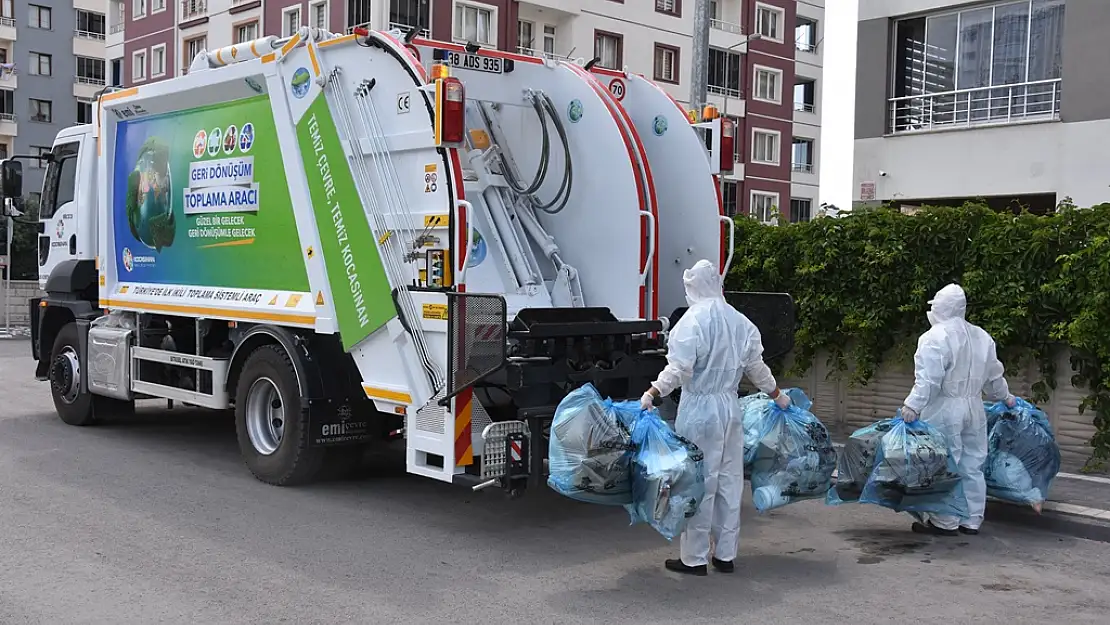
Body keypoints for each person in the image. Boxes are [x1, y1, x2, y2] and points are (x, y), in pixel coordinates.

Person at [640, 259, 790, 576]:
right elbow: (757, 368)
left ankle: (693, 558)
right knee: (729, 481)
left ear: (694, 286)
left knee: (699, 482)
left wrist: (653, 391)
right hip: (729, 407)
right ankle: (725, 555)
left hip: (699, 410)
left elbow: (679, 370)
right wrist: (777, 394)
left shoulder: (691, 322)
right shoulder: (740, 322)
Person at [899, 283, 1016, 537]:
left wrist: (913, 405)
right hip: (975, 407)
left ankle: (945, 521)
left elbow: (929, 380)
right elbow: (995, 377)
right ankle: (971, 520)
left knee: (945, 462)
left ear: (941, 306)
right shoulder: (982, 337)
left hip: (945, 407)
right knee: (972, 464)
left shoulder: (934, 337)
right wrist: (1006, 398)